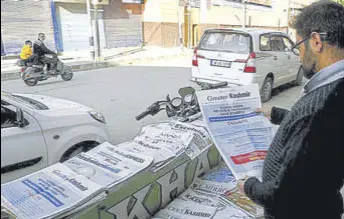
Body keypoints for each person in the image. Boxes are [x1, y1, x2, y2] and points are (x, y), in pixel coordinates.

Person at [237, 1, 344, 219]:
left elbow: (281, 194)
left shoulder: (323, 101)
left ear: (316, 42)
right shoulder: (334, 91)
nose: (298, 55)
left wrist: (248, 186)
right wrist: (277, 114)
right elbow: (322, 131)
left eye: (298, 46)